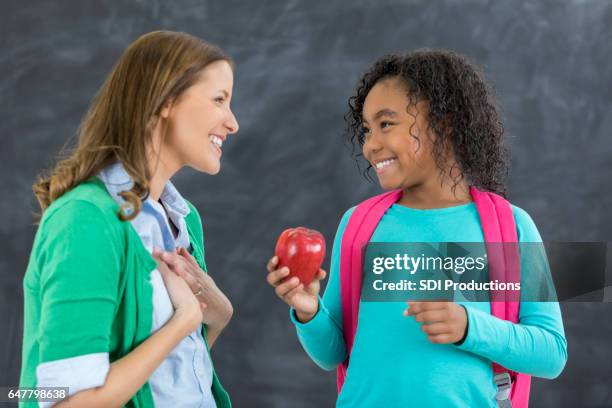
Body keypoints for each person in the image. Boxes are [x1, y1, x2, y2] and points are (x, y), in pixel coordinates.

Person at [266, 50, 567, 407]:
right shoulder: (359, 224)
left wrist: (469, 328)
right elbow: (332, 352)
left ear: (444, 124)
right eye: (366, 129)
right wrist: (307, 309)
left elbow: (551, 353)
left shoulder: (510, 228)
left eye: (386, 124)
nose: (370, 145)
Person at [20, 30, 238, 407]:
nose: (232, 123)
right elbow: (59, 401)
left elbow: (172, 375)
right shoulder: (85, 221)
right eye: (219, 99)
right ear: (166, 99)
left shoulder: (182, 220)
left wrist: (215, 319)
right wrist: (184, 321)